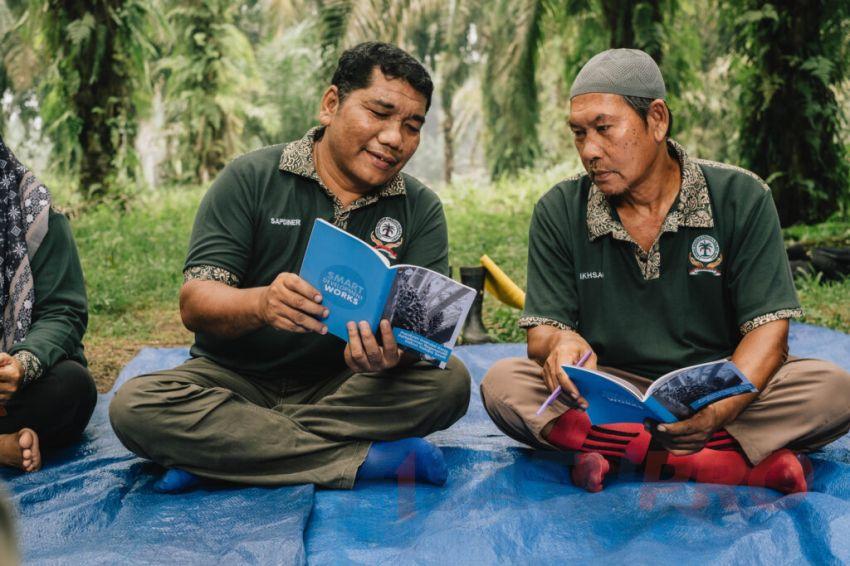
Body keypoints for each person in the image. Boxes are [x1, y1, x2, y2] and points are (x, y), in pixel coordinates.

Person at [481, 49, 850, 494]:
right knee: (503, 384)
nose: (590, 151)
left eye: (603, 129)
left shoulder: (740, 196)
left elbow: (769, 335)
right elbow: (542, 333)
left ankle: (615, 451)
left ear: (657, 120)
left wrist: (718, 409)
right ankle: (717, 464)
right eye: (578, 134)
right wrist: (562, 342)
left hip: (717, 389)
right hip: (609, 395)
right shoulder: (560, 210)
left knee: (833, 389)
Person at [109, 42, 471, 492]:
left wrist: (391, 358)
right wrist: (261, 303)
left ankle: (223, 454)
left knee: (451, 383)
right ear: (331, 104)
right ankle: (359, 460)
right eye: (379, 113)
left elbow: (422, 342)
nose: (395, 138)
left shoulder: (420, 208)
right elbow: (196, 303)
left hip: (346, 387)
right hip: (231, 381)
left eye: (411, 126)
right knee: (134, 405)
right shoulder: (251, 178)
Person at [0, 137, 97, 473]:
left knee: (72, 388)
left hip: (12, 389)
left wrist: (20, 367)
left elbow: (63, 314)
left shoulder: (39, 218)